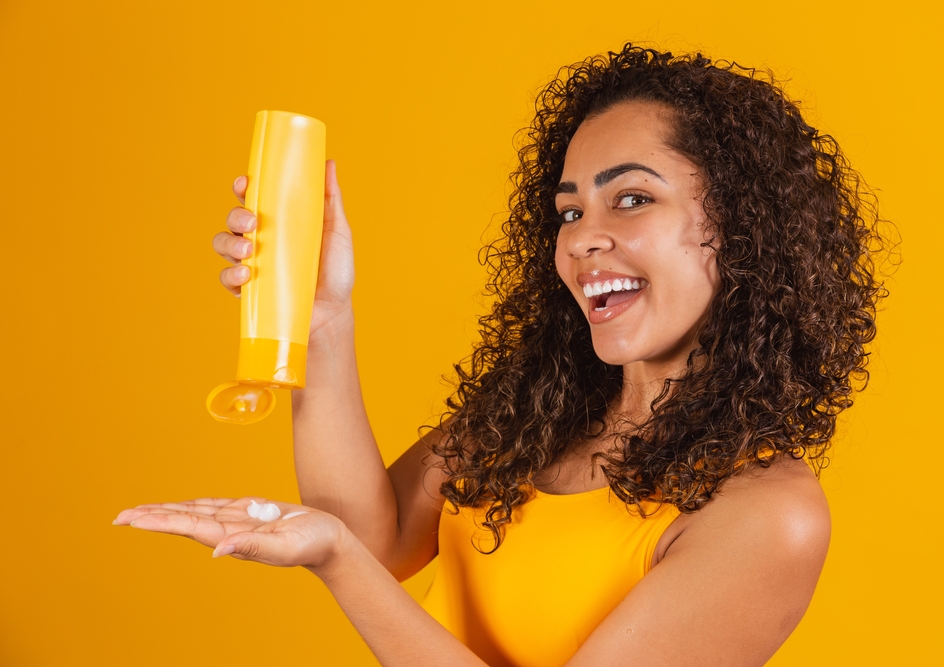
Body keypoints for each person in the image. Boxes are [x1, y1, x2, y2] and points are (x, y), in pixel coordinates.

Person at [115, 46, 887, 666]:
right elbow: (376, 535)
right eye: (570, 209)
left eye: (632, 198)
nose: (583, 236)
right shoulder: (535, 419)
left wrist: (334, 558)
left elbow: (354, 552)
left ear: (742, 229)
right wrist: (324, 317)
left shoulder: (766, 515)